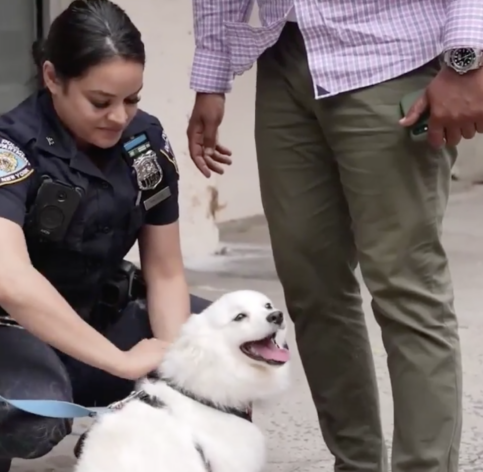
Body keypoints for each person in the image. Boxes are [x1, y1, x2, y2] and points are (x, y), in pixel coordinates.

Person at [186, 2, 483, 472]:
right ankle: (355, 463)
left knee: (405, 286)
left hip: (391, 55)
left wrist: (467, 58)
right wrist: (212, 73)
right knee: (311, 286)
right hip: (286, 56)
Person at [0, 1, 210, 471]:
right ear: (52, 77)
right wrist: (123, 362)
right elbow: (8, 280)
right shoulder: (5, 148)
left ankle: (119, 438)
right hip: (3, 330)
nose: (120, 116)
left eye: (133, 99)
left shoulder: (143, 142)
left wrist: (173, 365)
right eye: (100, 102)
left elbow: (165, 270)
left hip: (99, 314)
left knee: (230, 342)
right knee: (28, 417)